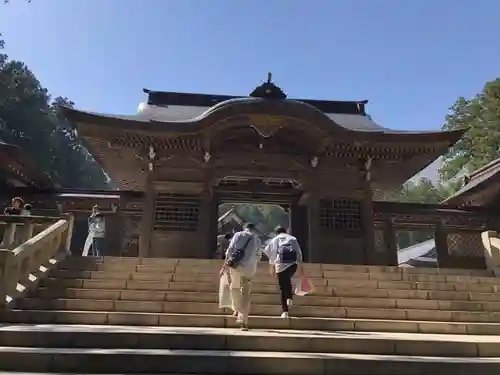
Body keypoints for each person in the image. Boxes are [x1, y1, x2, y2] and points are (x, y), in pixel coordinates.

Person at [220, 223, 262, 331]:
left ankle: (237, 308)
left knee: (234, 288)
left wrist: (225, 265)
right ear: (254, 229)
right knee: (246, 294)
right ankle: (244, 321)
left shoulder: (238, 235)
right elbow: (259, 256)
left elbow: (230, 250)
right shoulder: (257, 239)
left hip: (236, 266)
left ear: (245, 228)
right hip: (249, 269)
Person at [264, 226, 304, 319]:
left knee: (283, 287)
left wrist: (271, 267)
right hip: (292, 265)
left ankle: (285, 311)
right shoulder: (293, 238)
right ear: (285, 232)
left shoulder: (275, 239)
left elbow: (271, 253)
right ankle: (289, 297)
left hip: (280, 265)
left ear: (276, 232)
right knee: (288, 280)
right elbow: (299, 253)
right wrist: (300, 266)